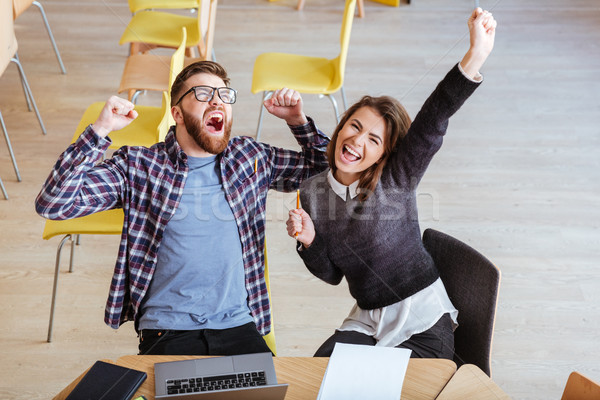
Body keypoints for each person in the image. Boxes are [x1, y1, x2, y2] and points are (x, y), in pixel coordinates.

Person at [35, 61, 330, 355]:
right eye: (202, 94)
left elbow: (328, 168)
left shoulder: (249, 158)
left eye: (224, 95)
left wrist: (298, 122)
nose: (217, 101)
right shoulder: (139, 166)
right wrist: (99, 131)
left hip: (239, 326)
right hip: (167, 330)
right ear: (177, 113)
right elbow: (54, 203)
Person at [285, 8, 497, 358]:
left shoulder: (396, 178)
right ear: (340, 128)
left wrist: (474, 56)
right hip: (367, 319)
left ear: (384, 154)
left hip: (423, 324)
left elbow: (434, 118)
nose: (357, 141)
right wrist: (309, 241)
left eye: (374, 139)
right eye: (354, 127)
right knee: (320, 379)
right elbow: (332, 274)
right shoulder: (311, 192)